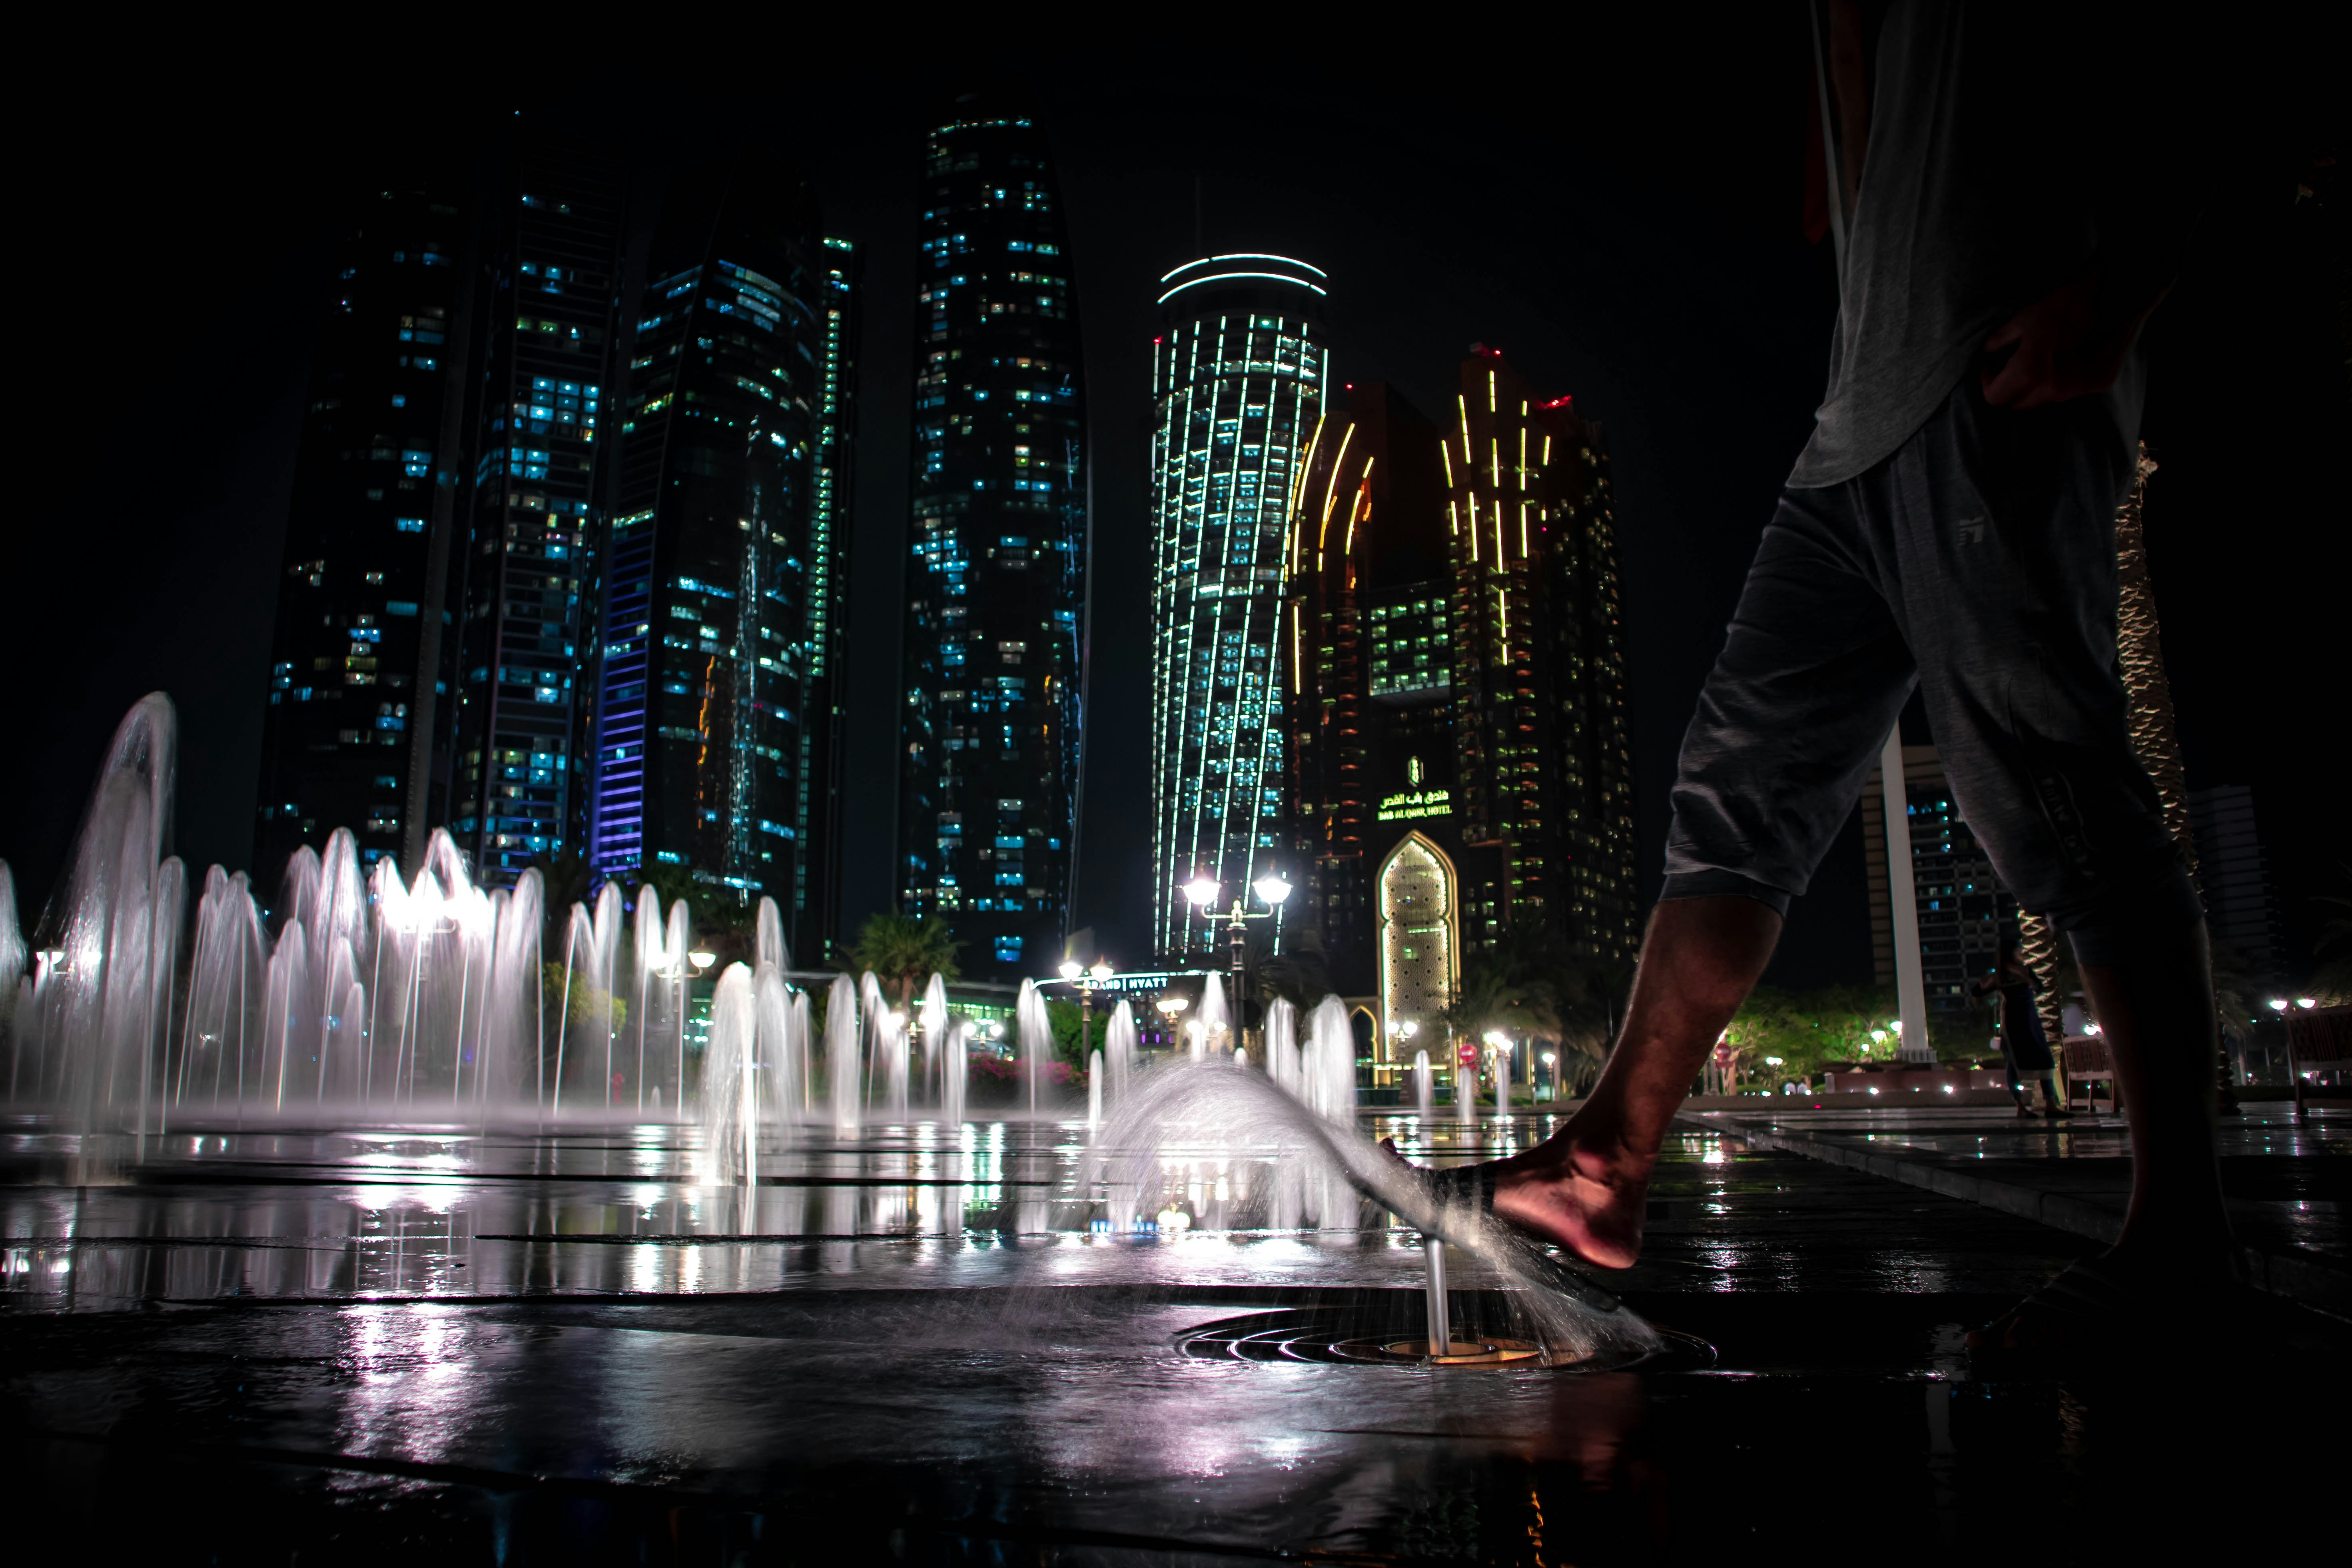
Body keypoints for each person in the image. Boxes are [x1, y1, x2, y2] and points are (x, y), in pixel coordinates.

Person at [1391, 2, 2233, 1352]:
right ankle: (1598, 1170)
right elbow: (1820, 197)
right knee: (1733, 794)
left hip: (1996, 379)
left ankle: (2183, 1238)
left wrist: (2118, 290)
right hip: (1849, 433)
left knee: (2053, 779)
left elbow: (2231, 71)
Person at [1971, 942, 2068, 1118]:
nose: (2022, 954)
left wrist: (2028, 980)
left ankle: (2050, 1105)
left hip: (2030, 1022)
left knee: (2045, 1060)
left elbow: (2039, 987)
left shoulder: (2024, 972)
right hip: (2012, 1025)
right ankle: (2021, 1107)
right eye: (2018, 952)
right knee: (2014, 1065)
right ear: (2011, 955)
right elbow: (1977, 991)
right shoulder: (2000, 977)